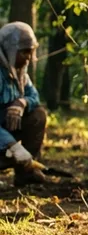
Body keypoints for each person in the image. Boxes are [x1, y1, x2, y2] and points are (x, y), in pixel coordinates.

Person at [0, 23, 47, 186]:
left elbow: (34, 96)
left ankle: (25, 174)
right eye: (24, 51)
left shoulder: (19, 72)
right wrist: (11, 144)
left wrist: (22, 102)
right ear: (9, 49)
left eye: (31, 51)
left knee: (37, 116)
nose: (28, 57)